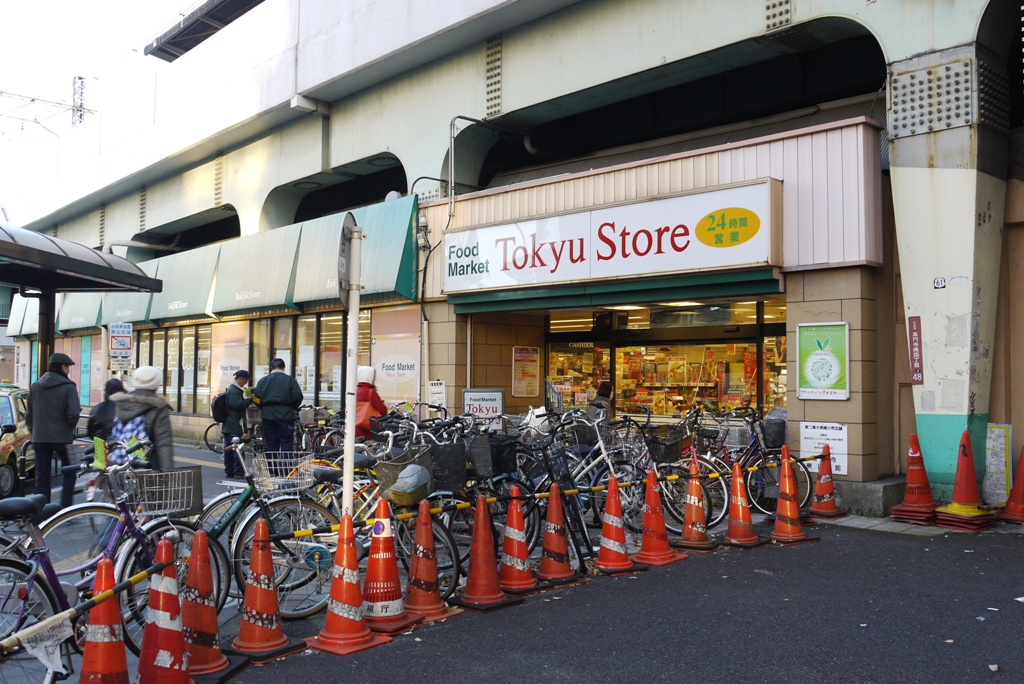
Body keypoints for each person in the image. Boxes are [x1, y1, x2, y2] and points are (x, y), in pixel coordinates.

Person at [25, 352, 81, 507]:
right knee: (69, 472)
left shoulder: (36, 385)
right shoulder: (69, 387)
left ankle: (42, 511)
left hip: (39, 438)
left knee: (42, 476)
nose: (69, 370)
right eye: (68, 367)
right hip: (62, 438)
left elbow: (29, 413)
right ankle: (64, 511)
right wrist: (69, 425)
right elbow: (74, 412)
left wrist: (33, 430)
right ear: (62, 366)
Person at [111, 366, 174, 470]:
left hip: (120, 464)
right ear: (156, 383)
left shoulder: (122, 403)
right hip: (148, 467)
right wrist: (168, 472)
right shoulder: (158, 406)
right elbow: (164, 443)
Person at [253, 358, 303, 453]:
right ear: (284, 368)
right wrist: (292, 407)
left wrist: (263, 407)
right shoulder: (290, 380)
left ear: (271, 368)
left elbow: (257, 398)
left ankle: (272, 467)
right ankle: (285, 467)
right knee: (286, 442)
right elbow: (298, 396)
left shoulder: (263, 381)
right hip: (285, 415)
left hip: (268, 415)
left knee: (270, 443)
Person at [223, 369, 254, 477]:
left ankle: (230, 471)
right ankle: (238, 471)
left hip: (231, 424)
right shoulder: (234, 391)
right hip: (234, 424)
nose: (246, 382)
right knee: (238, 449)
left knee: (231, 448)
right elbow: (238, 405)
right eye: (245, 380)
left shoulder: (235, 389)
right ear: (240, 379)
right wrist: (250, 399)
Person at [356, 366, 388, 440]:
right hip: (368, 429)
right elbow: (382, 409)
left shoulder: (356, 391)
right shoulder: (370, 392)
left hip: (356, 428)